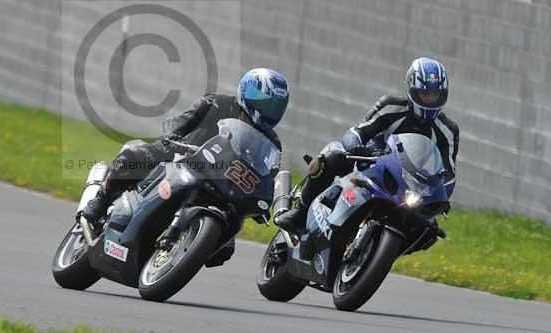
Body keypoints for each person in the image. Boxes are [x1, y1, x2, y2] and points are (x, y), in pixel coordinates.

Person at [80, 68, 290, 235]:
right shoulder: (216, 103)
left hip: (223, 185)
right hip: (182, 156)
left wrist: (259, 203)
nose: (268, 109)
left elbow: (265, 176)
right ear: (247, 92)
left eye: (274, 105)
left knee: (227, 240)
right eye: (263, 101)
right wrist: (173, 135)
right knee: (133, 158)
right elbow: (181, 121)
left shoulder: (272, 143)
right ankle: (101, 200)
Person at [277, 58, 459, 232]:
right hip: (370, 163)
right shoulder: (391, 106)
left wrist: (439, 198)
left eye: (435, 94)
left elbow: (449, 174)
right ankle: (300, 213)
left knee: (428, 231)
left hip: (410, 186)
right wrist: (355, 146)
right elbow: (357, 132)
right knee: (331, 155)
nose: (430, 99)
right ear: (411, 89)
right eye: (425, 93)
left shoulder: (448, 130)